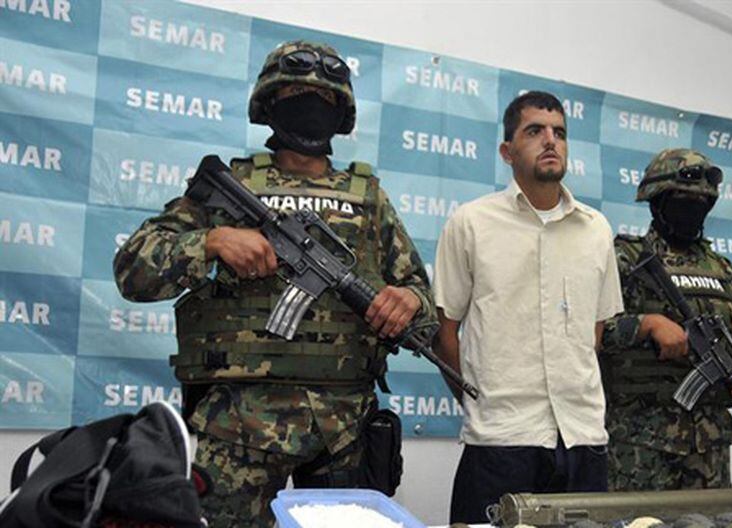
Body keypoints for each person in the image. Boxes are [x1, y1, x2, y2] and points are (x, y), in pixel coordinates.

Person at [113, 40, 435, 528]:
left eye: (324, 98)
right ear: (270, 103)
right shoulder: (231, 189)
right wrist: (212, 242)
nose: (311, 105)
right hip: (238, 425)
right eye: (296, 94)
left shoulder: (369, 199)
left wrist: (408, 301)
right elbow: (133, 269)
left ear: (341, 112)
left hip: (343, 430)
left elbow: (423, 303)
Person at [433, 90, 624, 524]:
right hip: (500, 440)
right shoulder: (471, 223)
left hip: (582, 439)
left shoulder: (596, 229)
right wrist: (480, 403)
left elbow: (594, 332)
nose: (550, 141)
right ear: (507, 151)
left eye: (559, 132)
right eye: (534, 131)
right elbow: (444, 334)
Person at [601, 148, 732, 491]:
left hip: (710, 450)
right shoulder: (626, 259)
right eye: (682, 201)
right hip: (640, 448)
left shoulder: (720, 270)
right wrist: (646, 325)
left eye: (700, 202)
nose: (692, 208)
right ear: (657, 201)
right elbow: (589, 334)